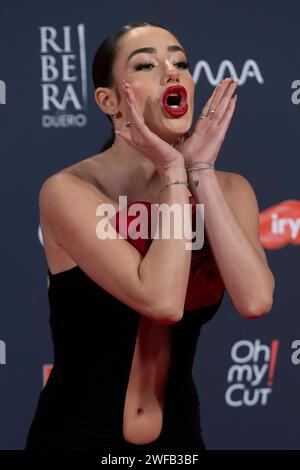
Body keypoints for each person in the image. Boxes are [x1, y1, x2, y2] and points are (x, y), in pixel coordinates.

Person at [25, 21, 275, 454]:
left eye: (180, 62)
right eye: (146, 65)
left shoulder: (231, 189)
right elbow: (161, 300)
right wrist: (173, 171)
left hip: (177, 441)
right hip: (73, 438)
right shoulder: (69, 191)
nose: (171, 72)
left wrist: (199, 172)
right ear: (109, 100)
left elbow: (255, 300)